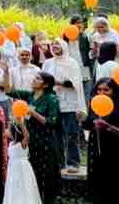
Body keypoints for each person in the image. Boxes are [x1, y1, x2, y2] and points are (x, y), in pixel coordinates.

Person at [10, 73, 62, 204]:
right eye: (35, 77)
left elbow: (51, 122)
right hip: (31, 140)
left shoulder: (52, 99)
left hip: (46, 142)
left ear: (45, 84)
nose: (34, 79)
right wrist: (5, 71)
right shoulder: (29, 95)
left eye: (38, 78)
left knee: (47, 176)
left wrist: (33, 112)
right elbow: (8, 91)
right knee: (33, 176)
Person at [82, 78, 119, 204]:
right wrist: (84, 121)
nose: (102, 93)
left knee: (115, 188)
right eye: (99, 90)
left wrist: (108, 127)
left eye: (106, 90)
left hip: (116, 153)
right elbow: (88, 125)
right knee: (97, 185)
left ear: (114, 91)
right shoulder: (94, 106)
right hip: (96, 151)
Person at [42, 40, 86, 174]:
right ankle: (59, 162)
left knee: (71, 134)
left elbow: (75, 83)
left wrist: (56, 82)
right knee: (55, 135)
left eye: (58, 44)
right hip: (53, 103)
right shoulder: (47, 62)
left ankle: (73, 162)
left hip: (70, 104)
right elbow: (42, 80)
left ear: (64, 46)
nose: (55, 46)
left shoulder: (71, 62)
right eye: (53, 44)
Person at [3, 123, 42, 204]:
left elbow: (27, 135)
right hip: (13, 171)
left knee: (24, 186)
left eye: (10, 131)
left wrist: (21, 124)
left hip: (23, 170)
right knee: (14, 188)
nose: (8, 132)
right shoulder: (11, 143)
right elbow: (4, 132)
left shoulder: (22, 144)